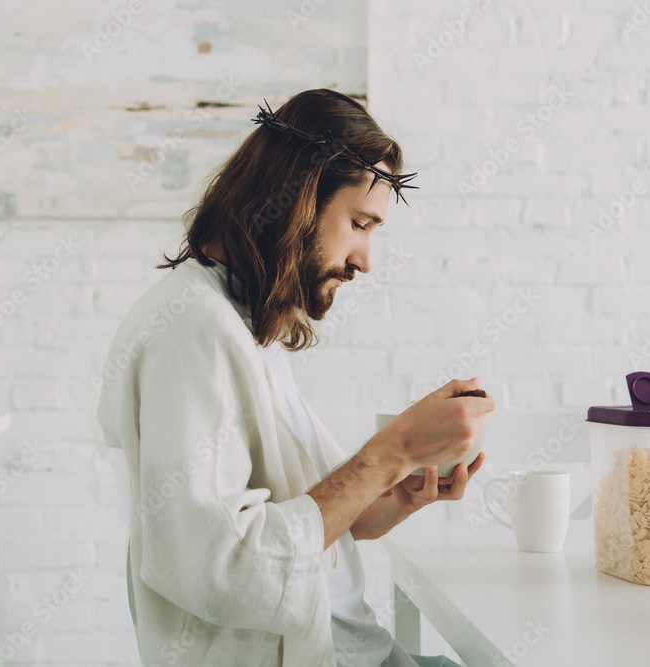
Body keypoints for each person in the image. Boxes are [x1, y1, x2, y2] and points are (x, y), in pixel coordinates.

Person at [96, 88, 495, 667]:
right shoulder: (190, 330)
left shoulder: (242, 325)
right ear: (297, 199)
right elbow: (221, 568)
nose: (365, 260)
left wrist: (388, 499)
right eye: (360, 223)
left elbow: (306, 516)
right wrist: (391, 451)